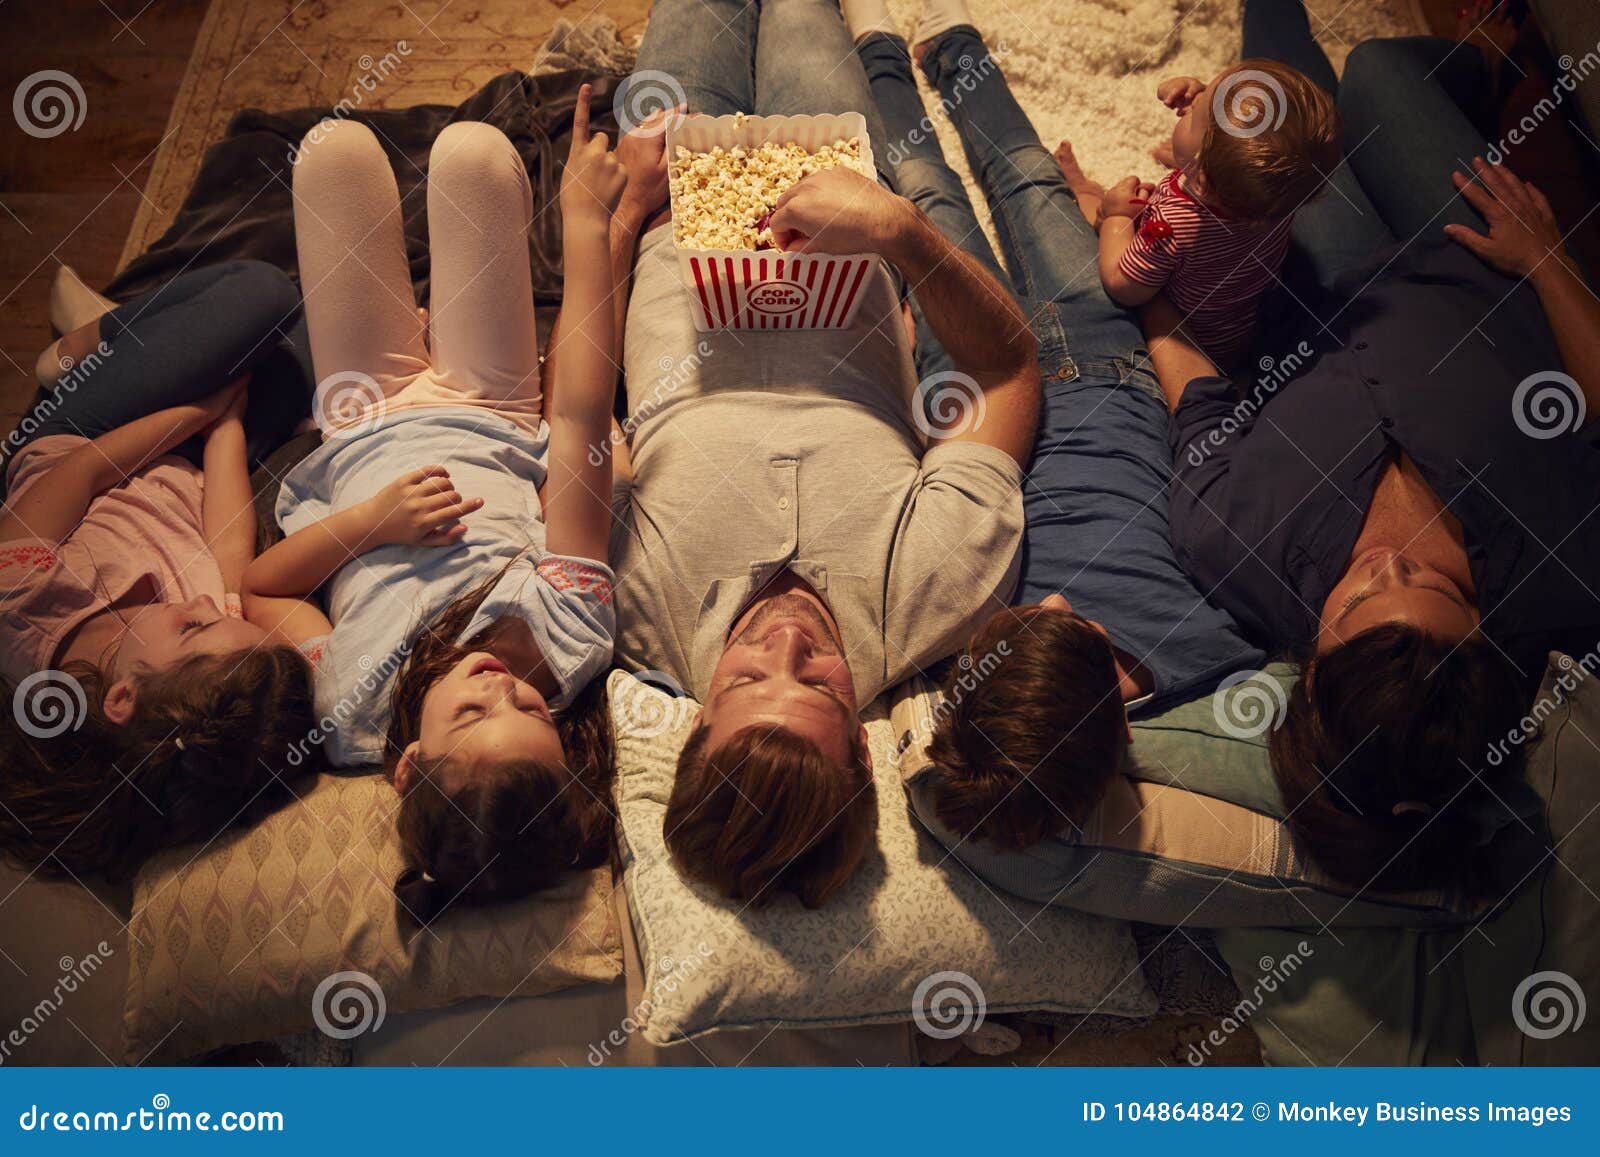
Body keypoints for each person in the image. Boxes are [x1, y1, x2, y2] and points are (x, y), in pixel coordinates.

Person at [1147, 0, 1600, 893]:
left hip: (1317, 283)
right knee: (1384, 72)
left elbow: (1192, 383)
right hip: (1480, 259)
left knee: (1289, 115)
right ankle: (1494, 69)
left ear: (1311, 675)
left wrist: (1138, 268)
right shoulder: (1571, 578)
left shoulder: (1234, 545)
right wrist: (1548, 256)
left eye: (1364, 595)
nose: (1394, 561)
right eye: (1436, 586)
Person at [611, 0, 1040, 909]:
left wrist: (618, 218)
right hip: (838, 204)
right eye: (821, 685)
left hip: (668, 214)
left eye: (747, 677)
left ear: (693, 723)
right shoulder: (940, 591)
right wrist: (898, 231)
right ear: (867, 738)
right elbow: (1006, 370)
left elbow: (570, 421)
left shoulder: (631, 609)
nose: (787, 643)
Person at [842, 0, 1261, 856]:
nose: (1059, 595)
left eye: (1035, 615)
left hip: (972, 389)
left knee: (926, 198)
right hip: (1109, 356)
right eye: (1076, 627)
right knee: (1031, 180)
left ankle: (883, 51)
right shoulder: (1218, 646)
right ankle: (952, 44)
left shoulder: (961, 676)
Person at [241, 89, 628, 927]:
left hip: (362, 416)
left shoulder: (349, 708)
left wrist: (368, 524)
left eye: (473, 712)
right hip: (489, 405)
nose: (501, 687)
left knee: (333, 150)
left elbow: (260, 592)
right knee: (475, 155)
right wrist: (588, 220)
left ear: (408, 763)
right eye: (531, 711)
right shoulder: (571, 641)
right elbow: (579, 423)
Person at [0, 261, 319, 879]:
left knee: (265, 292)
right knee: (316, 333)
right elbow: (228, 541)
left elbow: (84, 471)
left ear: (123, 696)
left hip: (84, 435)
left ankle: (86, 343)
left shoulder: (22, 605)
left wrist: (196, 410)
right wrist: (225, 425)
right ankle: (151, 341)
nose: (208, 607)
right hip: (195, 460)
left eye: (192, 628)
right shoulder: (215, 661)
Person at [1054, 57, 1341, 365]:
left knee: (1099, 209)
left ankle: (1083, 188)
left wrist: (1116, 217)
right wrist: (1205, 104)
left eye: (1193, 116)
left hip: (1189, 341)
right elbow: (1237, 152)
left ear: (1201, 181)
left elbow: (1123, 285)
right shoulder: (1279, 194)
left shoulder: (1174, 224)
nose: (1192, 103)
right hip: (1242, 328)